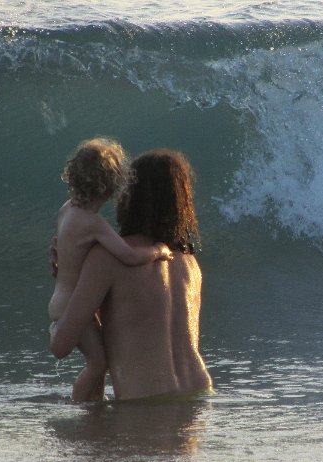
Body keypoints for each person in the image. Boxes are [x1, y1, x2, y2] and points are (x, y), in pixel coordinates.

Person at [50, 148, 212, 401]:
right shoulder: (190, 264)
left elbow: (61, 345)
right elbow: (134, 321)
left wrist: (70, 281)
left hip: (145, 404)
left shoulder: (107, 258)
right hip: (200, 396)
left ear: (130, 195)